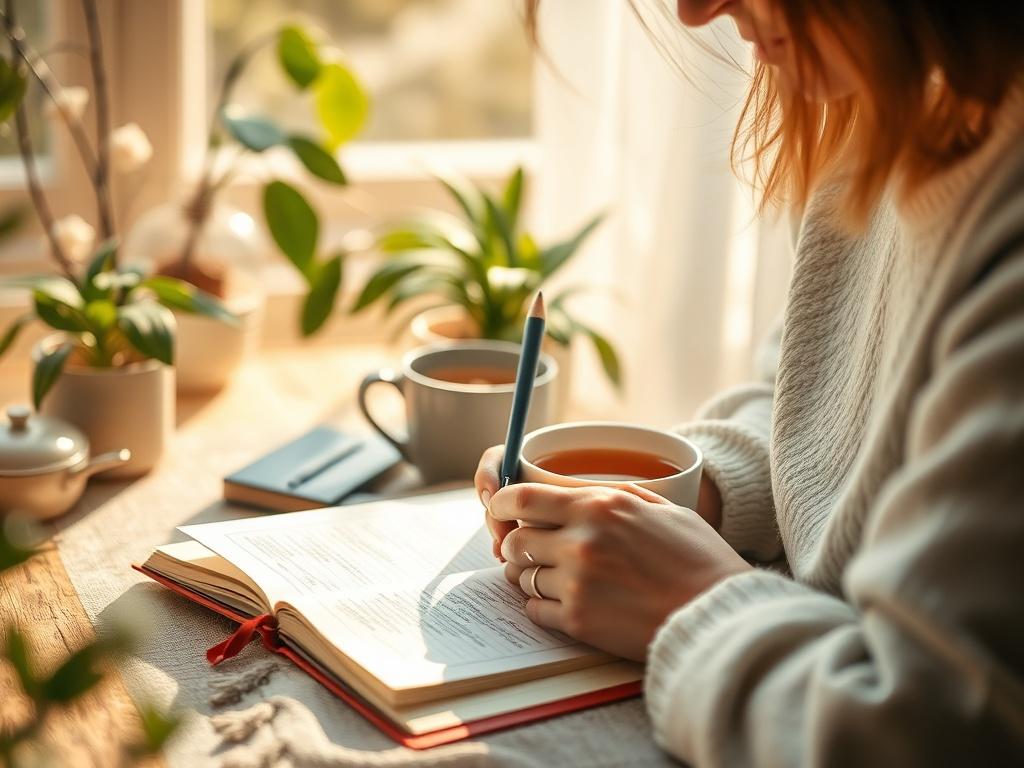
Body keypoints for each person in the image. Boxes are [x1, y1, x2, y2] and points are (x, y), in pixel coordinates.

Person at [474, 1, 1024, 765]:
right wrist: (687, 487)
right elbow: (814, 401)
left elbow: (933, 730)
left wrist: (691, 601)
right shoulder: (885, 116)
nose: (697, 11)